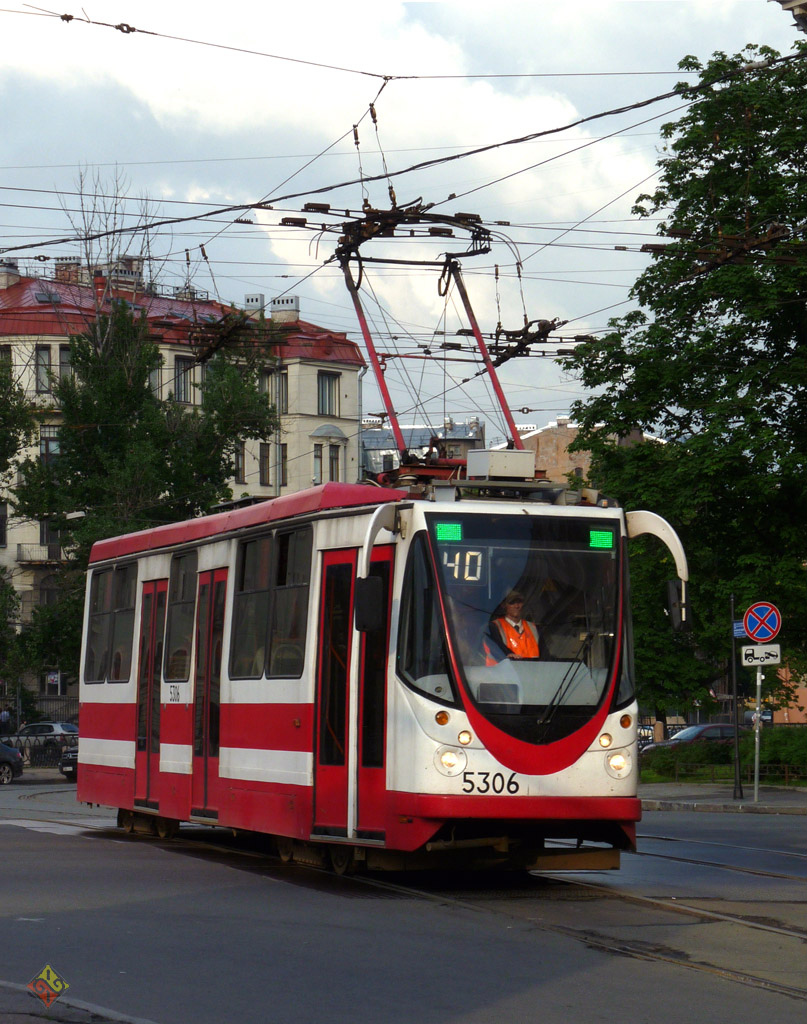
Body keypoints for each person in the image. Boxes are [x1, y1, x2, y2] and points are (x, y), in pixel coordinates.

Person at [483, 590, 540, 663]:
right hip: (502, 669)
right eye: (512, 602)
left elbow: (545, 654)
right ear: (504, 605)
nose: (517, 606)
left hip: (533, 669)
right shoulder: (493, 627)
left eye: (519, 602)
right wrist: (508, 655)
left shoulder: (534, 628)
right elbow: (496, 650)